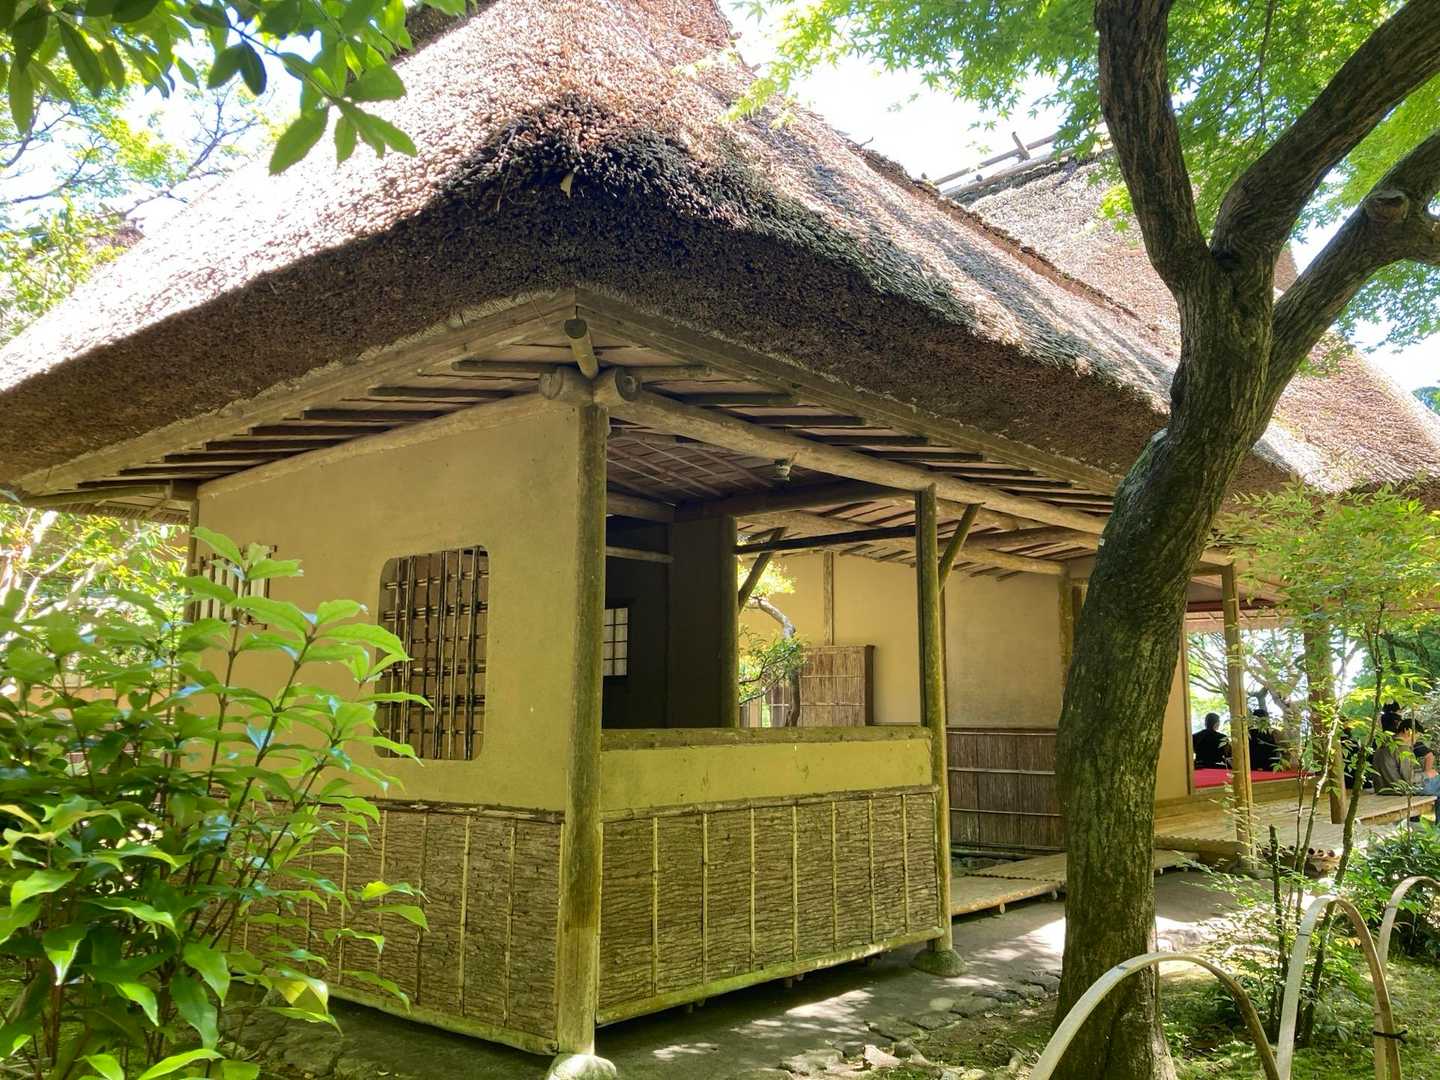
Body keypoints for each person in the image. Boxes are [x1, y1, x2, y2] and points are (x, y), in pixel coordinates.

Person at [1372, 717, 1440, 815]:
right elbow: (1409, 779)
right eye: (1416, 736)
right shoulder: (1403, 749)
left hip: (1382, 788)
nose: (1415, 741)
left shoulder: (1382, 745)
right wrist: (1427, 774)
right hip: (1399, 790)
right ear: (1407, 731)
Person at [1248, 708, 1282, 772]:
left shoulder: (1246, 732)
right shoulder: (1274, 732)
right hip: (1269, 769)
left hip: (1253, 769)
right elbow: (1285, 750)